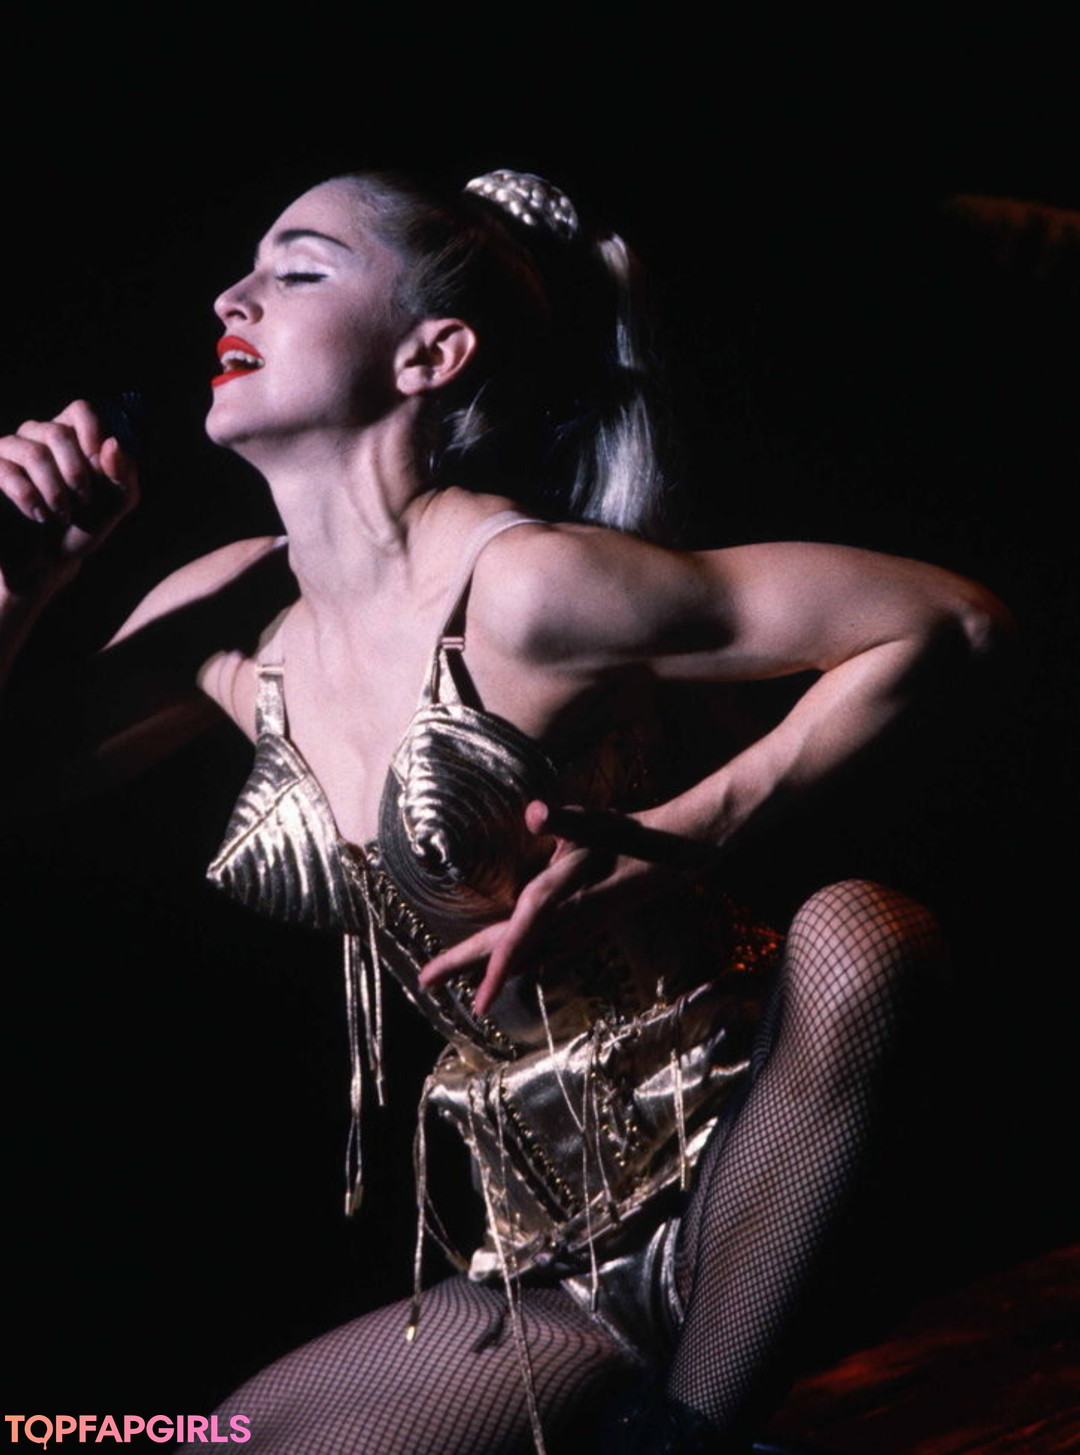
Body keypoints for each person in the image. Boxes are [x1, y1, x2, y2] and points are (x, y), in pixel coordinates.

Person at [0, 169, 1008, 1454]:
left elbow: (953, 619)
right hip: (558, 1261)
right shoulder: (233, 619)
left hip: (757, 1173)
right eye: (245, 269)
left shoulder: (522, 587)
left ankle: (696, 1433)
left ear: (432, 355)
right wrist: (19, 586)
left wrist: (692, 829)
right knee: (193, 1442)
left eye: (297, 269)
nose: (231, 298)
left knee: (864, 933)